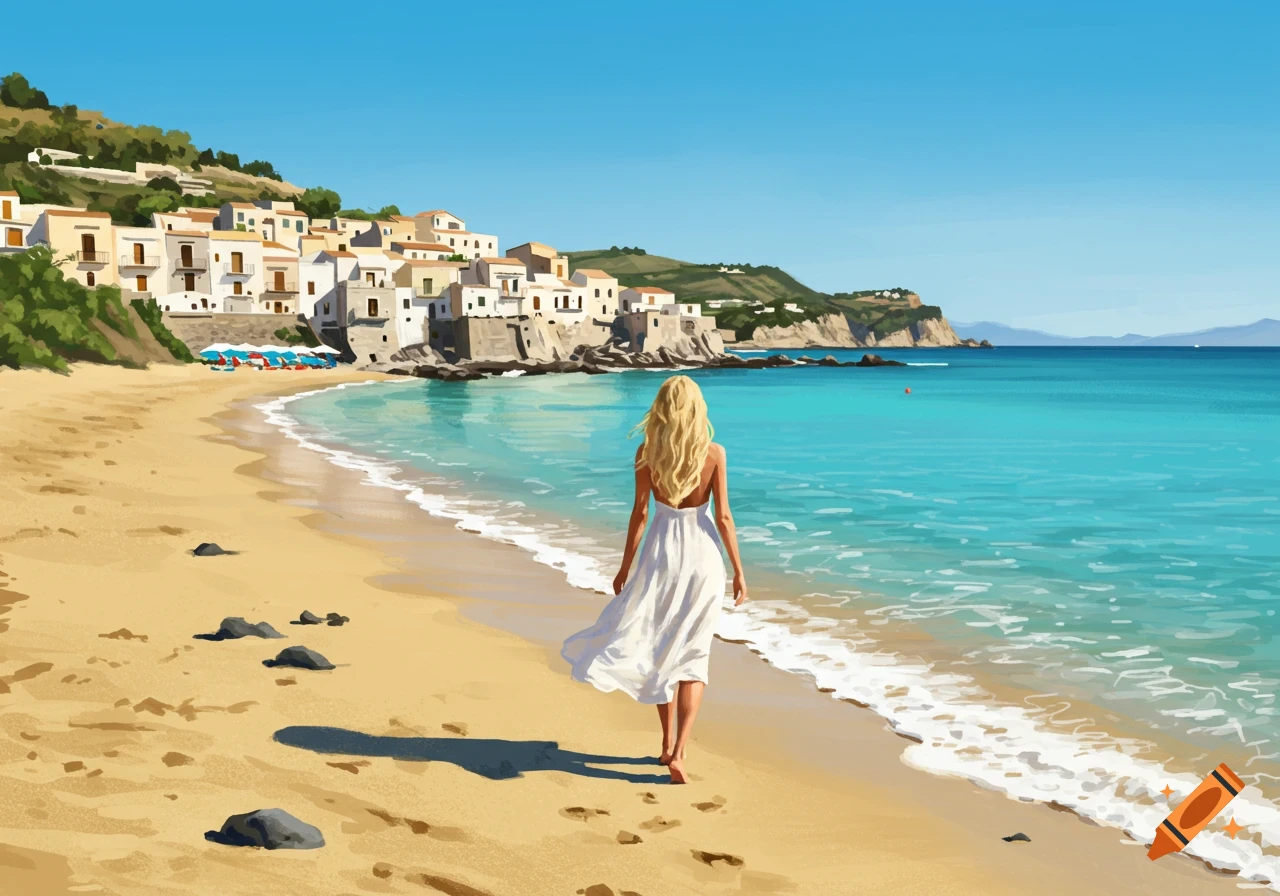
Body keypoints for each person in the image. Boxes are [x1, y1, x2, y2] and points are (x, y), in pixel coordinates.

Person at [561, 375, 747, 784]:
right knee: (692, 658)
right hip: (702, 560)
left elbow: (640, 514)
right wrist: (738, 570)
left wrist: (624, 566)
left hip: (661, 556)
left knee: (659, 649)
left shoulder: (647, 452)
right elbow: (724, 517)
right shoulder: (714, 453)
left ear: (663, 408)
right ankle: (680, 752)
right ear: (698, 409)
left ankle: (664, 744)